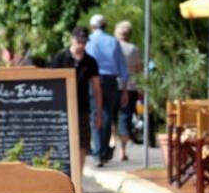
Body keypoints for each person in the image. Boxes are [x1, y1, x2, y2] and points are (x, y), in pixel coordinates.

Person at [50, 26, 102, 172]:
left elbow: (97, 88)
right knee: (62, 143)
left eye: (84, 42)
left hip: (82, 109)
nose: (82, 45)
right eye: (79, 41)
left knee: (82, 143)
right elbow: (50, 84)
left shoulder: (90, 61)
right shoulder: (60, 58)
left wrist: (98, 113)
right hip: (62, 110)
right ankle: (65, 175)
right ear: (72, 39)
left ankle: (78, 177)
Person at [87, 14, 129, 165]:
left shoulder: (89, 40)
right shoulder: (113, 41)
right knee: (106, 116)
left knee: (95, 114)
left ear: (92, 27)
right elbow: (122, 68)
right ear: (105, 26)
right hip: (111, 81)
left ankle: (99, 152)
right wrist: (124, 90)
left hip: (94, 80)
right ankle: (103, 151)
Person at [114, 20, 143, 161]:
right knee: (125, 118)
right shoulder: (133, 49)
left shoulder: (113, 47)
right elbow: (139, 69)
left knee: (112, 117)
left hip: (113, 86)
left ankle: (112, 142)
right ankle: (123, 150)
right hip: (131, 87)